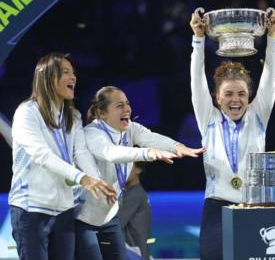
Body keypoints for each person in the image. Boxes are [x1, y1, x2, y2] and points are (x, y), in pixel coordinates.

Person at [190, 8, 275, 260]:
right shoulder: (208, 117)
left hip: (253, 207)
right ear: (217, 97)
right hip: (216, 207)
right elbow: (196, 80)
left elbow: (270, 77)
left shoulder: (258, 115)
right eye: (228, 94)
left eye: (241, 94)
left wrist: (273, 37)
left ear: (249, 97)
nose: (235, 100)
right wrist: (198, 40)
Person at [75, 86, 205, 260]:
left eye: (127, 103)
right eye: (119, 105)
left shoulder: (130, 129)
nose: (127, 109)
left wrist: (177, 147)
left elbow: (152, 137)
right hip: (84, 220)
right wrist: (147, 153)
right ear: (102, 112)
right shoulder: (92, 133)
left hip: (108, 217)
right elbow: (111, 153)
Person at [8, 52, 117, 260]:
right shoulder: (26, 113)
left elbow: (80, 151)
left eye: (73, 72)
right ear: (49, 78)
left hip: (64, 211)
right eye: (66, 72)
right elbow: (42, 155)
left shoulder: (73, 116)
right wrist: (82, 179)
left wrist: (97, 180)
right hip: (31, 209)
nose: (73, 77)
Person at [118, 161, 152, 260]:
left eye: (127, 166)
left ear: (138, 169)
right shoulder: (136, 193)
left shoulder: (134, 195)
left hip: (133, 255)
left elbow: (115, 224)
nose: (122, 170)